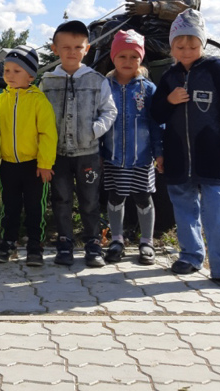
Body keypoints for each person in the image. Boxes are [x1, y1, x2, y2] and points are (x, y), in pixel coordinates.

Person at [151, 9, 220, 289]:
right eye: (180, 46)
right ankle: (191, 255)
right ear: (171, 47)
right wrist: (169, 100)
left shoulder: (216, 69)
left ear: (202, 44)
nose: (186, 51)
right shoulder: (169, 76)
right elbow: (156, 114)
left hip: (211, 156)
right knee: (184, 210)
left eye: (193, 46)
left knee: (217, 213)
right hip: (177, 157)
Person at [39, 20, 117, 268]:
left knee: (90, 200)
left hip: (88, 153)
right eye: (66, 47)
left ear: (87, 48)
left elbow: (109, 111)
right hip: (58, 154)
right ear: (55, 49)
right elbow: (38, 114)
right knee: (60, 199)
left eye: (78, 47)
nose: (72, 52)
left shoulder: (96, 80)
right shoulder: (48, 81)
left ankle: (93, 244)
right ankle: (64, 244)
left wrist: (95, 130)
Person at [100, 30, 163, 265]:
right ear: (113, 57)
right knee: (116, 197)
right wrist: (98, 152)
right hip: (114, 156)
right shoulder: (104, 87)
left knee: (143, 197)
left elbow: (156, 123)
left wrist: (159, 152)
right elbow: (98, 121)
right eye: (122, 56)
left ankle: (146, 242)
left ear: (141, 59)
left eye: (134, 57)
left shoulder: (148, 89)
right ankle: (116, 240)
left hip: (141, 158)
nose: (128, 62)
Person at [0, 46, 57, 266]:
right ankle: (8, 241)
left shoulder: (39, 101)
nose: (9, 75)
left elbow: (48, 134)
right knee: (9, 207)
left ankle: (35, 244)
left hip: (34, 166)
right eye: (6, 70)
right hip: (8, 165)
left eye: (16, 71)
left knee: (34, 207)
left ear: (31, 75)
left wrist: (45, 163)